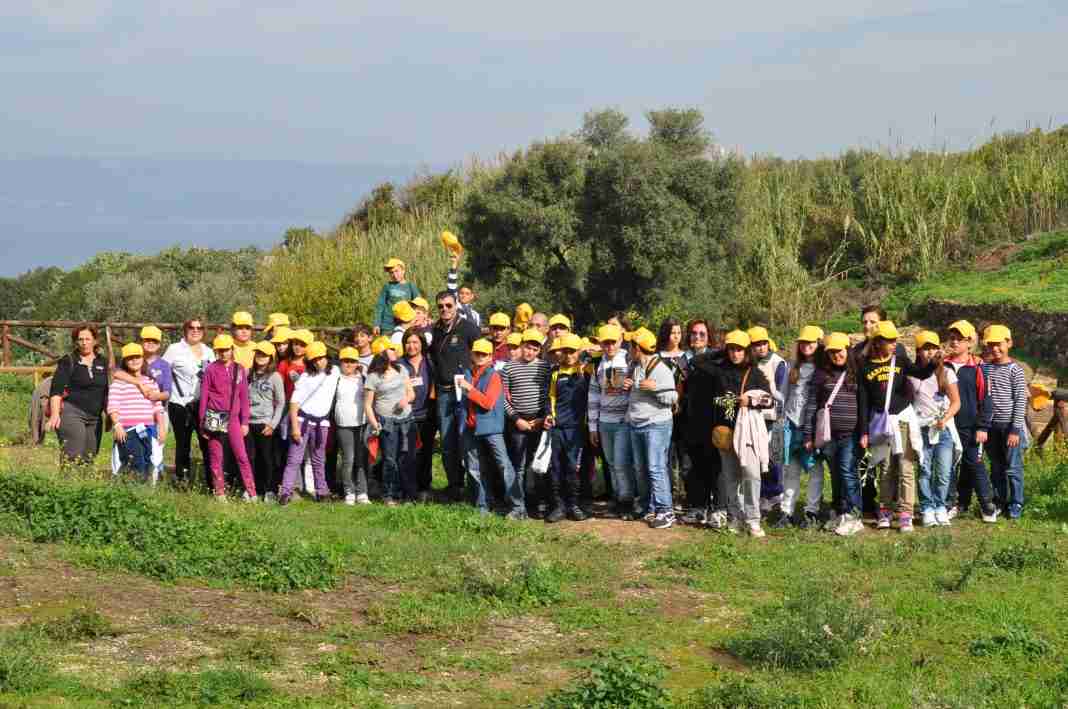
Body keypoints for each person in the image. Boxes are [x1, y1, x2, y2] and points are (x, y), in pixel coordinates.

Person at [857, 321, 924, 533]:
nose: (895, 343)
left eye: (895, 340)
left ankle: (905, 514)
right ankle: (885, 510)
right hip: (881, 423)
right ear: (877, 342)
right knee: (885, 468)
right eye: (889, 340)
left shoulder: (900, 360)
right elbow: (863, 401)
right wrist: (864, 431)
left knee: (905, 467)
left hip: (903, 419)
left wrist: (933, 363)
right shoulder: (865, 366)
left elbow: (921, 373)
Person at [801, 332, 865, 536]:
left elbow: (864, 405)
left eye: (840, 351)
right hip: (828, 436)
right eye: (832, 352)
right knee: (836, 475)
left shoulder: (858, 373)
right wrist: (808, 435)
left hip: (850, 435)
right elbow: (812, 405)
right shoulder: (821, 375)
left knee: (847, 472)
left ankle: (854, 515)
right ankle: (839, 511)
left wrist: (865, 432)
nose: (836, 355)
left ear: (848, 350)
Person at [712, 330, 774, 537]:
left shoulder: (755, 373)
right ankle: (735, 517)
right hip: (726, 432)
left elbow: (770, 401)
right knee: (731, 478)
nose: (735, 353)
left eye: (739, 349)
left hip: (748, 433)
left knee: (752, 475)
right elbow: (712, 398)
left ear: (747, 351)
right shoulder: (719, 372)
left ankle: (753, 519)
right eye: (731, 349)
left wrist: (751, 401)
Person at [943, 320, 998, 522]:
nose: (955, 342)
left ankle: (987, 506)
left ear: (969, 342)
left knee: (974, 464)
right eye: (952, 338)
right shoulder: (942, 364)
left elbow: (986, 399)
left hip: (971, 425)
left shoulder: (979, 367)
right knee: (947, 466)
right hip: (947, 424)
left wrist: (983, 426)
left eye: (960, 338)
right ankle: (951, 504)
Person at [429, 290, 482, 499]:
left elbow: (481, 356)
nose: (445, 309)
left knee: (467, 440)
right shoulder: (435, 330)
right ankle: (455, 486)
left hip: (464, 392)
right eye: (441, 306)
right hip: (443, 392)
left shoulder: (469, 328)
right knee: (447, 442)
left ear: (456, 305)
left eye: (448, 305)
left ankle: (475, 488)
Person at [459, 339, 522, 515]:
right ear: (472, 354)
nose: (480, 357)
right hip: (471, 428)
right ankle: (483, 505)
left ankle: (518, 507)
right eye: (477, 353)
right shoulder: (467, 373)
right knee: (474, 468)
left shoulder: (494, 376)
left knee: (504, 466)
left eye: (484, 354)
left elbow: (487, 403)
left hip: (491, 428)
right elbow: (463, 403)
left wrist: (469, 389)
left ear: (490, 357)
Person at [625, 327, 678, 529]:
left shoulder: (661, 369)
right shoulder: (635, 365)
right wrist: (629, 385)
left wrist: (656, 388)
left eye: (631, 346)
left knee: (656, 467)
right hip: (636, 424)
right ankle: (648, 506)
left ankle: (666, 511)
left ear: (638, 348)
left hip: (656, 424)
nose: (629, 349)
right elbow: (637, 391)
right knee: (640, 468)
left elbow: (672, 397)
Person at [909, 331, 961, 527]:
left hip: (942, 429)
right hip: (921, 428)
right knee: (924, 470)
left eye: (933, 348)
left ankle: (940, 506)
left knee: (944, 471)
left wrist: (944, 419)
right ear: (918, 351)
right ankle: (926, 508)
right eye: (925, 349)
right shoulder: (912, 374)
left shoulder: (946, 373)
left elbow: (956, 402)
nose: (929, 352)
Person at [279, 341, 341, 504]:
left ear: (327, 357)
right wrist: (295, 428)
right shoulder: (305, 377)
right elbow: (294, 403)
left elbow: (347, 359)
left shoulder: (335, 371)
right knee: (294, 459)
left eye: (321, 358)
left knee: (319, 459)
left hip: (322, 423)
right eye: (314, 360)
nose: (319, 362)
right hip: (302, 421)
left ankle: (322, 492)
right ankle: (285, 492)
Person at [979, 324, 1029, 519]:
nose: (995, 348)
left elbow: (1020, 401)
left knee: (1013, 467)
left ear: (1009, 343)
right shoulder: (985, 368)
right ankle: (1000, 500)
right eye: (991, 344)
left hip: (1010, 426)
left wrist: (1015, 430)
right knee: (996, 466)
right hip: (991, 426)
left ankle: (1016, 502)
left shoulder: (1015, 370)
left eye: (998, 344)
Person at [589, 324, 638, 519]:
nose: (610, 346)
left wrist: (633, 385)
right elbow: (593, 396)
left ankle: (627, 501)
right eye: (606, 342)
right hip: (604, 422)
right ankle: (618, 498)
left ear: (620, 340)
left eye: (613, 342)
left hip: (623, 422)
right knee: (610, 463)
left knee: (621, 463)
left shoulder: (629, 360)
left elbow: (640, 386)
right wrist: (593, 427)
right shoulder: (597, 363)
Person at [199, 334, 257, 501]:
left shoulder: (239, 369)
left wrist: (244, 421)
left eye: (227, 349)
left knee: (242, 456)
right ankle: (219, 492)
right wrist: (203, 423)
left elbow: (244, 397)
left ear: (232, 349)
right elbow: (204, 396)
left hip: (233, 419)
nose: (224, 353)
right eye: (220, 350)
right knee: (216, 456)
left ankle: (251, 491)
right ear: (216, 351)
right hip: (215, 417)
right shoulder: (210, 369)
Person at [111, 325, 172, 480]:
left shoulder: (155, 375)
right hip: (128, 428)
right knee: (133, 462)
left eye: (154, 341)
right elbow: (113, 404)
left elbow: (160, 403)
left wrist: (161, 426)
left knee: (149, 459)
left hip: (148, 426)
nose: (134, 360)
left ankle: (148, 487)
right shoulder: (120, 380)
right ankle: (130, 488)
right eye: (130, 358)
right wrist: (117, 424)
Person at [778, 326, 824, 528]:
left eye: (810, 342)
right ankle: (786, 511)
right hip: (791, 423)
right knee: (791, 469)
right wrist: (781, 419)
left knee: (815, 469)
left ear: (819, 344)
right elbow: (783, 394)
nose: (806, 346)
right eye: (803, 342)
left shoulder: (823, 369)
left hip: (812, 426)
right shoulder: (792, 366)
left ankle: (811, 511)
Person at [502, 328, 551, 516]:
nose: (530, 352)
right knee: (519, 465)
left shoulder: (544, 367)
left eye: (535, 349)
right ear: (521, 346)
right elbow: (504, 399)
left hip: (539, 420)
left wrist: (542, 418)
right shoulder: (509, 367)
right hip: (518, 422)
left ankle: (539, 502)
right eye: (527, 347)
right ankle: (518, 505)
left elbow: (548, 393)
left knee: (538, 464)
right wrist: (516, 419)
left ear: (539, 351)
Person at [46, 325, 109, 466]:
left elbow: (107, 391)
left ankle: (85, 482)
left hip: (95, 418)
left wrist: (110, 415)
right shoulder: (68, 360)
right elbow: (56, 390)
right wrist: (55, 414)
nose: (84, 343)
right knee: (72, 457)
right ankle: (68, 481)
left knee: (89, 458)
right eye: (80, 339)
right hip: (72, 413)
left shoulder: (103, 362)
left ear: (95, 341)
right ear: (76, 341)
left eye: (88, 339)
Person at [163, 318, 215, 484]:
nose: (195, 330)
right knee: (183, 444)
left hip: (203, 404)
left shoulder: (209, 352)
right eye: (191, 327)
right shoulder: (174, 349)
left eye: (199, 327)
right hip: (180, 404)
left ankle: (212, 481)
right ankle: (182, 480)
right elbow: (161, 370)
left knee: (207, 443)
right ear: (185, 329)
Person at [544, 333, 589, 522]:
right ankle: (559, 506)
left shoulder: (587, 370)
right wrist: (549, 414)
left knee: (573, 467)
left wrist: (586, 354)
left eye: (573, 351)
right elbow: (550, 397)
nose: (569, 355)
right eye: (566, 351)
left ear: (579, 352)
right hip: (557, 428)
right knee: (555, 467)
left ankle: (574, 505)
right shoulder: (555, 372)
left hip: (577, 429)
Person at [365, 340, 417, 505]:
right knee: (389, 459)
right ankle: (389, 495)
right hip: (386, 422)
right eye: (391, 349)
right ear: (382, 354)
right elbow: (368, 405)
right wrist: (375, 424)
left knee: (406, 458)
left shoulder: (401, 369)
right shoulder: (373, 377)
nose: (395, 351)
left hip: (406, 420)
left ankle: (408, 494)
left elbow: (411, 393)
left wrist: (405, 400)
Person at [747, 326, 787, 517]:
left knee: (772, 457)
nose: (761, 347)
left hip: (772, 417)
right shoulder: (749, 363)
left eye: (763, 343)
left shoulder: (778, 363)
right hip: (753, 416)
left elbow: (782, 391)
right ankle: (762, 494)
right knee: (757, 457)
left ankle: (775, 494)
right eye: (756, 344)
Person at [656, 318, 691, 517]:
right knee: (665, 457)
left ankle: (685, 496)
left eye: (678, 332)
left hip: (684, 414)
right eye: (672, 332)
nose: (676, 336)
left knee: (684, 457)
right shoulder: (657, 357)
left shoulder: (687, 357)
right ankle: (668, 496)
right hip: (662, 412)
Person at [399, 328, 435, 501]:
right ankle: (407, 489)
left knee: (425, 453)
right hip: (405, 416)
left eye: (415, 342)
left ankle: (424, 488)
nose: (411, 346)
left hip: (427, 414)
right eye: (408, 342)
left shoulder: (430, 362)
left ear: (422, 344)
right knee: (407, 454)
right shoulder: (399, 364)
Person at [246, 341, 285, 501]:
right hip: (249, 423)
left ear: (271, 357)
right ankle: (253, 489)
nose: (261, 357)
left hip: (266, 423)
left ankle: (269, 489)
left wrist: (272, 424)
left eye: (265, 354)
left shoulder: (275, 376)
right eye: (258, 353)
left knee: (267, 458)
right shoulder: (249, 374)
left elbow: (281, 402)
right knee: (251, 457)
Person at [335, 346, 370, 505]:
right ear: (340, 362)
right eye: (345, 361)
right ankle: (349, 491)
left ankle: (362, 492)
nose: (349, 364)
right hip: (343, 423)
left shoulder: (363, 378)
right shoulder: (336, 378)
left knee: (361, 459)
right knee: (348, 459)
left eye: (352, 361)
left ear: (357, 363)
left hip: (361, 423)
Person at [373, 258, 421, 335]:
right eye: (391, 272)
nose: (394, 275)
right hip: (387, 325)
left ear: (403, 271)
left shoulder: (410, 286)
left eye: (396, 271)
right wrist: (377, 324)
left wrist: (423, 319)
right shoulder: (387, 286)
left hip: (405, 324)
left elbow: (419, 305)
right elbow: (380, 306)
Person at [446, 253, 481, 327]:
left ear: (472, 296)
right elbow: (451, 286)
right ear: (458, 294)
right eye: (461, 293)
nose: (464, 296)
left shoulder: (476, 315)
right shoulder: (455, 306)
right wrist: (454, 264)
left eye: (467, 294)